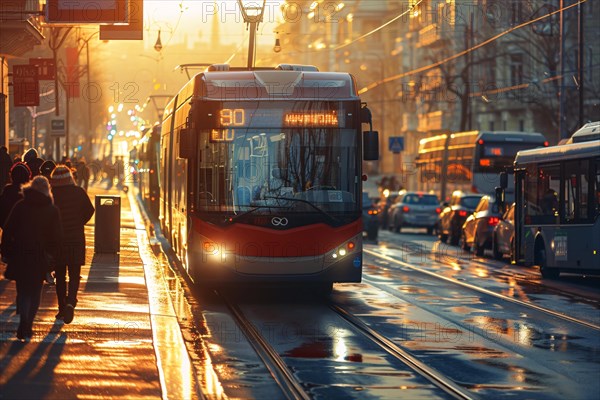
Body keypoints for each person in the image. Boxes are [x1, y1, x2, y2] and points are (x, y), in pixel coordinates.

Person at [0, 176, 62, 341]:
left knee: (23, 291)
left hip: (20, 254)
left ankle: (23, 321)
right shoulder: (51, 210)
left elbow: (8, 229)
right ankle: (27, 325)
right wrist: (52, 258)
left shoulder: (21, 206)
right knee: (35, 291)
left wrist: (5, 251)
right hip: (39, 256)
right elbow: (56, 238)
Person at [50, 165, 95, 324]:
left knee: (60, 275)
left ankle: (62, 308)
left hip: (58, 240)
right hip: (76, 239)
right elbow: (90, 210)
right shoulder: (79, 192)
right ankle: (71, 302)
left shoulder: (52, 194)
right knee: (74, 274)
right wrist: (79, 222)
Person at [0, 163, 32, 229]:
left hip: (9, 230)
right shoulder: (30, 192)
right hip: (26, 232)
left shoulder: (7, 191)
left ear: (12, 177)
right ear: (27, 176)